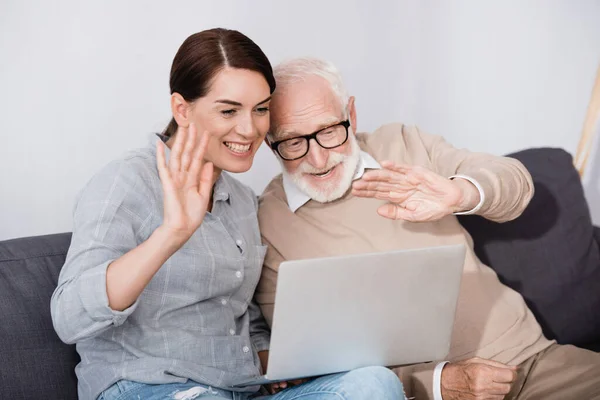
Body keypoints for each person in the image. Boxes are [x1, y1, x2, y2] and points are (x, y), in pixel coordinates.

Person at [50, 31, 404, 400]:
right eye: (228, 110)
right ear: (182, 109)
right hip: (148, 388)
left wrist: (278, 362)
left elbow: (241, 317)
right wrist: (170, 235)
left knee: (372, 383)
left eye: (261, 109)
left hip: (240, 389)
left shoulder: (242, 201)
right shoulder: (127, 182)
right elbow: (69, 317)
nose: (250, 129)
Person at [256, 57, 600, 400]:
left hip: (531, 365)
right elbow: (311, 370)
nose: (318, 160)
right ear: (269, 140)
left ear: (351, 113)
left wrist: (461, 193)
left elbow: (517, 184)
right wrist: (436, 383)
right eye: (292, 143)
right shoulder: (268, 222)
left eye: (330, 131)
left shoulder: (404, 144)